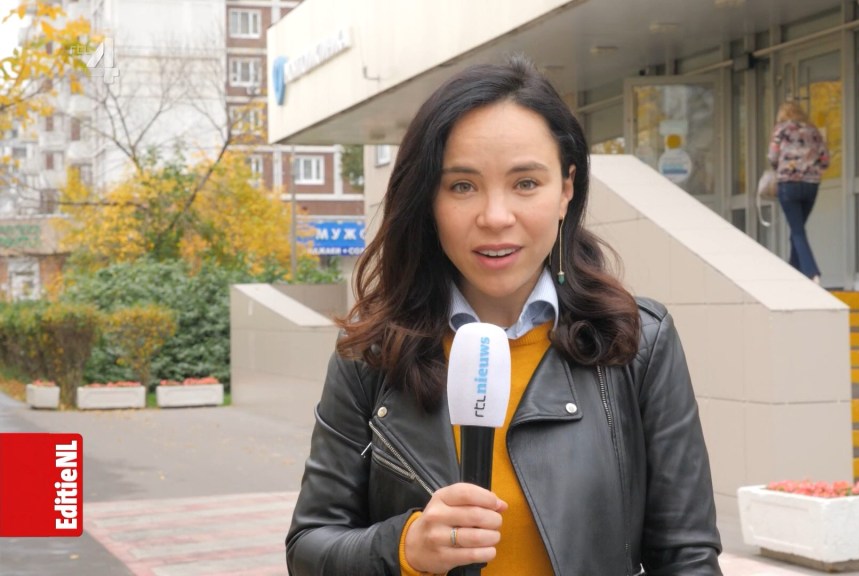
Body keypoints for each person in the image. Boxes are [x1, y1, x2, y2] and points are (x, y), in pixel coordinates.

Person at [285, 55, 722, 576]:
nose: (495, 217)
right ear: (428, 199)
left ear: (566, 189)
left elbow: (687, 558)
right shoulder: (373, 354)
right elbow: (309, 545)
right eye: (462, 186)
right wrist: (403, 547)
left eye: (526, 183)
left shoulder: (637, 342)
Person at [768, 100, 830, 284]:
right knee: (798, 229)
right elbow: (825, 159)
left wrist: (780, 166)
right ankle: (794, 272)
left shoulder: (781, 130)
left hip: (788, 184)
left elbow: (772, 156)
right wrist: (813, 170)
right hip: (811, 185)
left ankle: (812, 272)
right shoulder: (813, 131)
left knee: (797, 231)